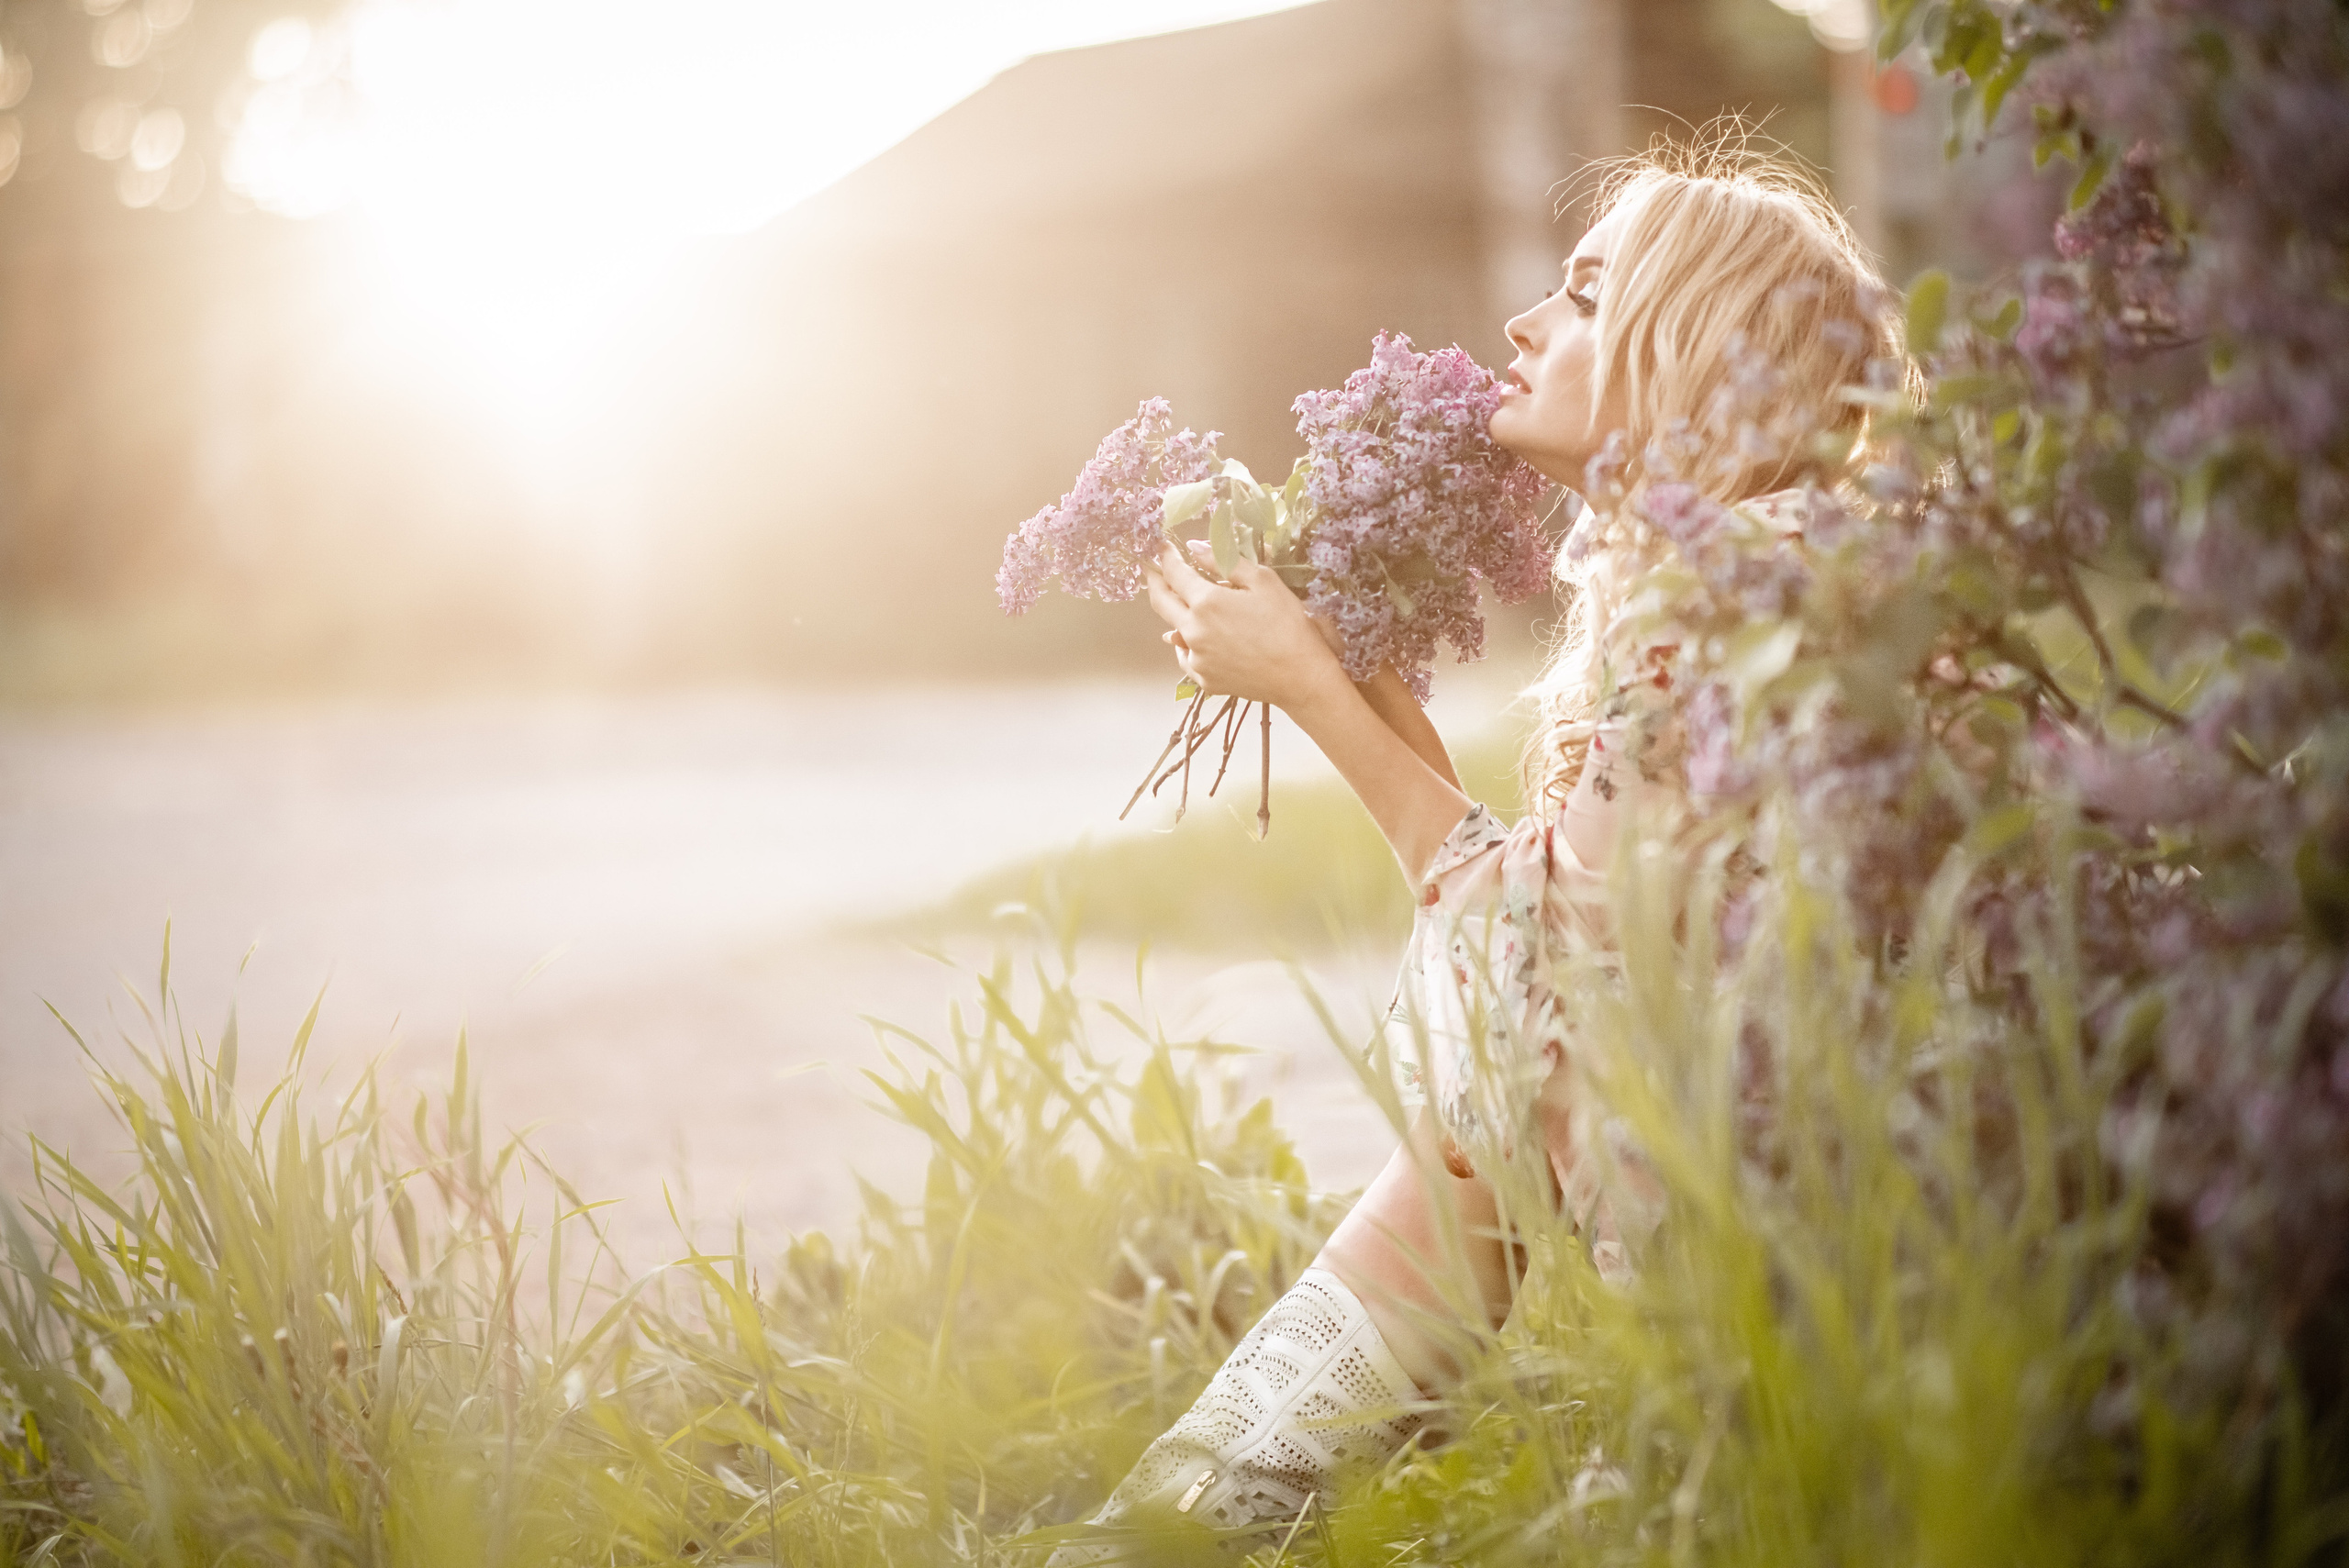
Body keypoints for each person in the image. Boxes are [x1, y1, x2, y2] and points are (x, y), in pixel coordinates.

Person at [1059, 140, 1904, 1551]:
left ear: (1686, 348)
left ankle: (1168, 1524)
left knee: (1475, 1129)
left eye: (1583, 291)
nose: (1524, 323)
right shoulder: (1763, 565)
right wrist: (1342, 646)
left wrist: (1317, 692)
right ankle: (1181, 1516)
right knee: (1480, 1116)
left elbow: (1529, 975)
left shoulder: (1731, 596)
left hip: (1817, 1278)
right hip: (1807, 1220)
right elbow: (1545, 956)